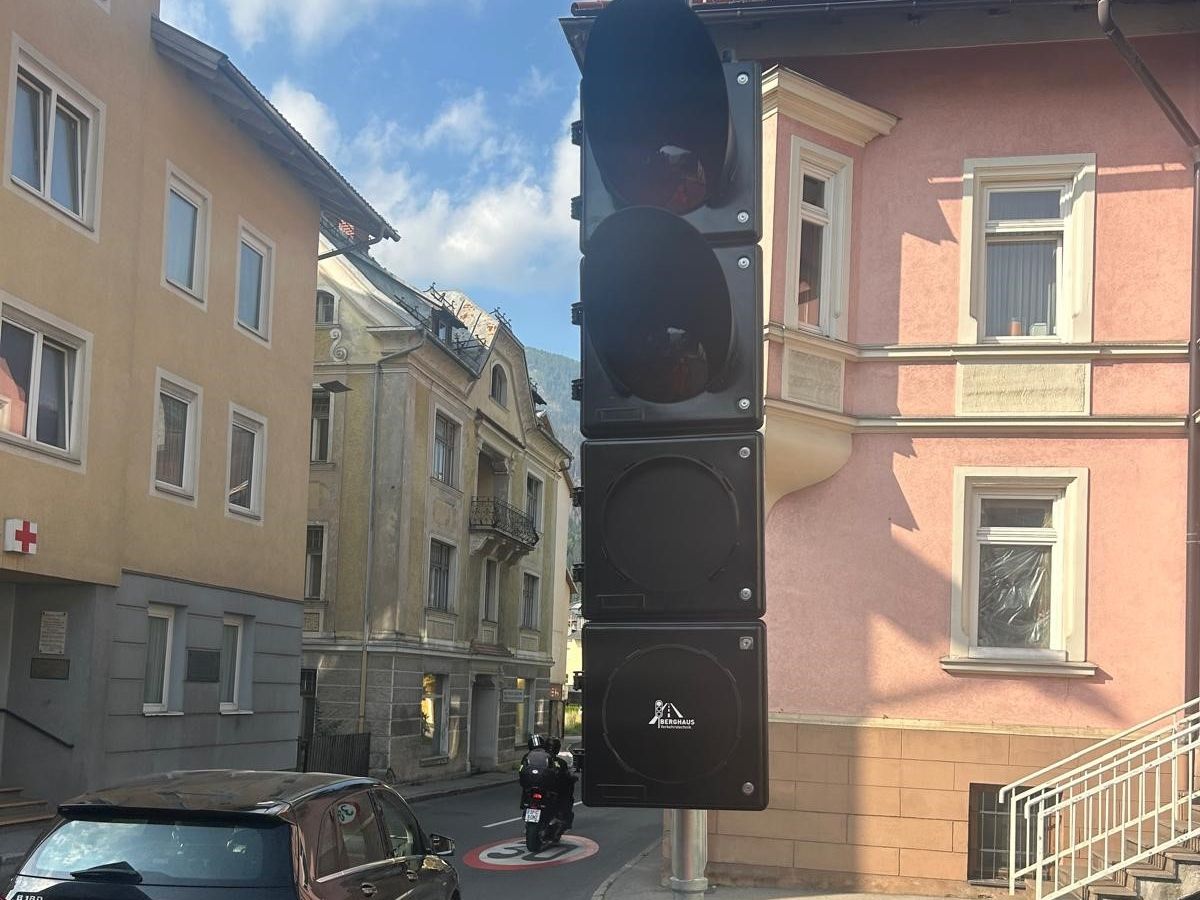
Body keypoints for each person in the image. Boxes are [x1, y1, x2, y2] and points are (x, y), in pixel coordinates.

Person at [519, 734, 576, 827]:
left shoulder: (528, 756)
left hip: (534, 787)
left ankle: (554, 816)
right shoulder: (556, 760)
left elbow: (522, 771)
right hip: (546, 789)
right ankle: (558, 815)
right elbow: (562, 774)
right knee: (562, 795)